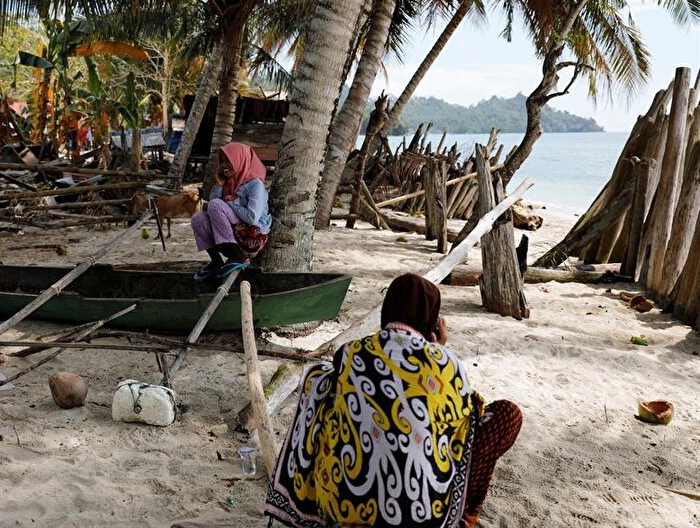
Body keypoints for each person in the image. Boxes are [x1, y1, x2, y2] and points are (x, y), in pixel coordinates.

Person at [265, 274, 522, 528]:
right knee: (506, 414)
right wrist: (441, 349)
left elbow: (346, 367)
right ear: (431, 319)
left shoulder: (351, 352)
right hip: (424, 515)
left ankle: (312, 506)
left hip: (348, 505)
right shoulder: (446, 362)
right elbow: (463, 422)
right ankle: (464, 516)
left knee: (320, 382)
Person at [191, 142, 272, 280]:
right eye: (222, 161)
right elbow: (213, 207)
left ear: (240, 160)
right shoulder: (228, 181)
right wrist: (219, 185)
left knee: (216, 204)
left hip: (251, 236)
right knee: (198, 218)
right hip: (233, 233)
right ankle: (216, 261)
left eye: (228, 161)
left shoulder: (255, 185)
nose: (223, 166)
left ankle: (237, 257)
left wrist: (230, 202)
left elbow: (252, 217)